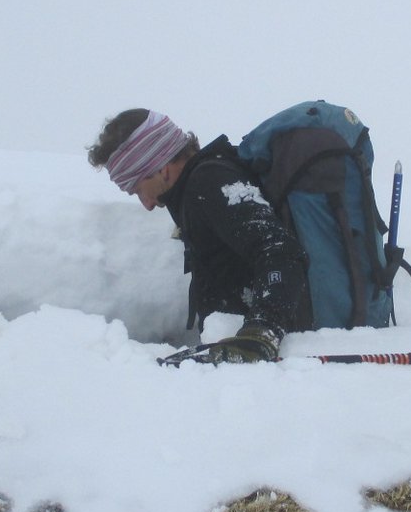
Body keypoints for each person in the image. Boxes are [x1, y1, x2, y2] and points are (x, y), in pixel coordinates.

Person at [88, 109, 307, 362]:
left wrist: (262, 332)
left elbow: (280, 249)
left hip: (267, 358)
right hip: (242, 357)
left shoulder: (210, 181)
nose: (146, 204)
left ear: (160, 167)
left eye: (137, 189)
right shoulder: (196, 188)